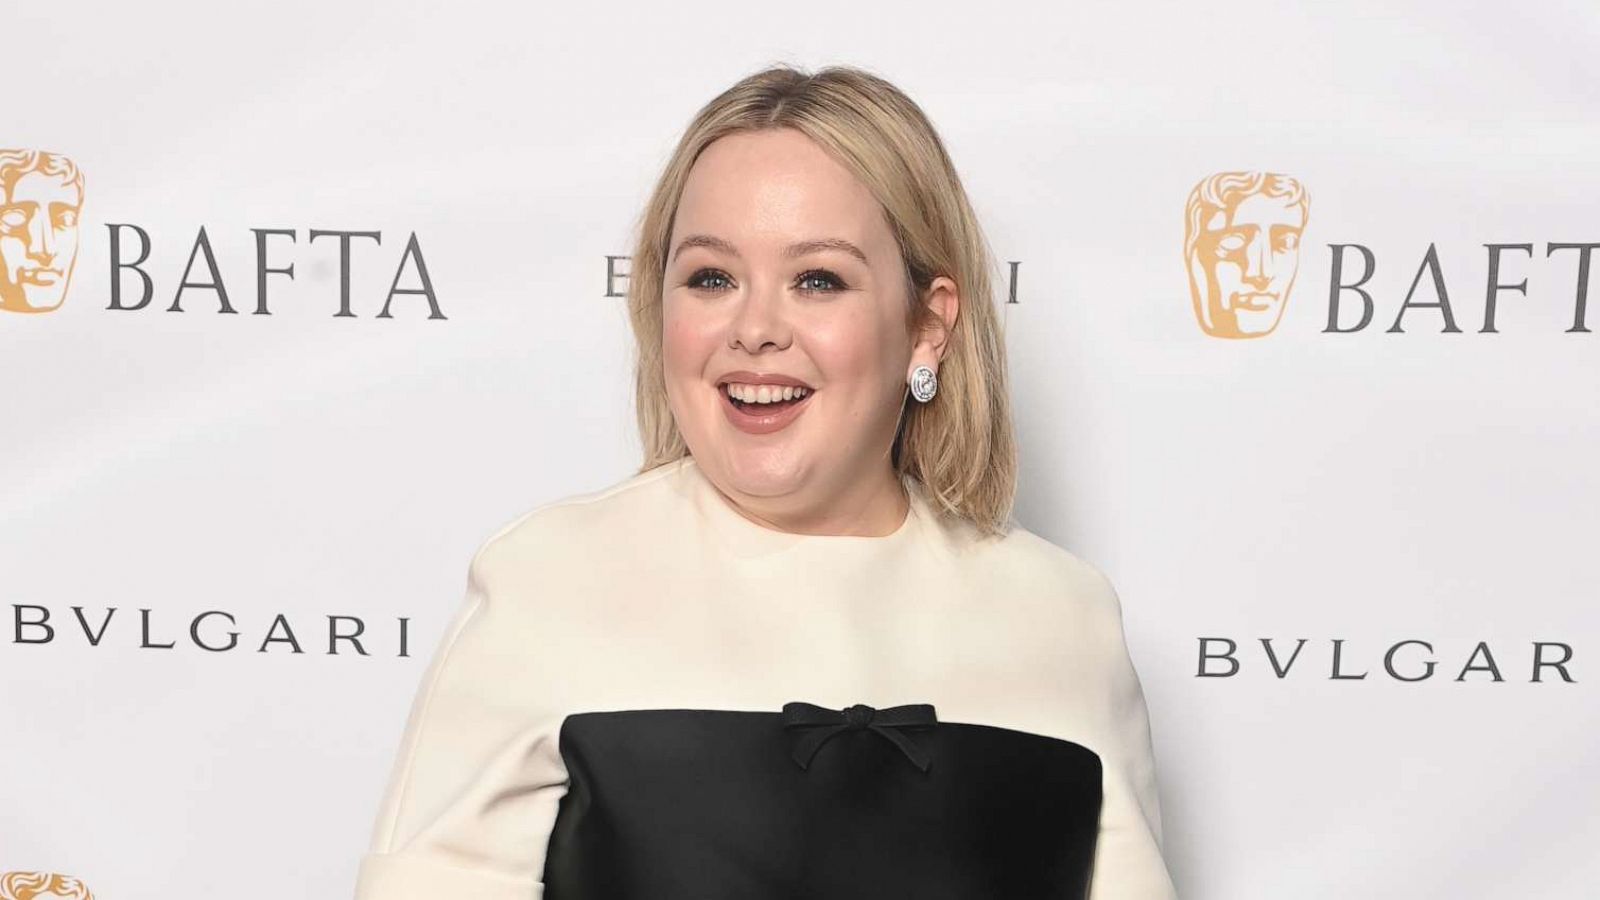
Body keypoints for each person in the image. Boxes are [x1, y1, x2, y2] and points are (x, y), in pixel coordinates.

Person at [354, 63, 1177, 900]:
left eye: (818, 279)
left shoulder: (1065, 618)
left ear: (926, 327)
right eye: (711, 278)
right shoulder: (547, 580)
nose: (754, 330)